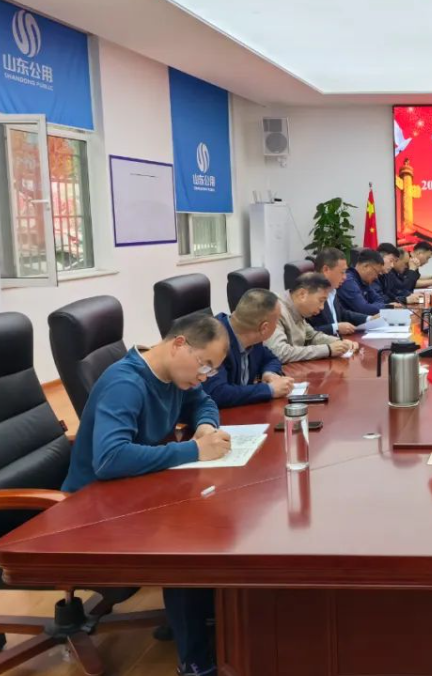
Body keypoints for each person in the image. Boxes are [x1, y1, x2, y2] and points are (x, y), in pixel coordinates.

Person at [62, 313, 234, 676]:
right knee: (186, 544)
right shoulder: (126, 383)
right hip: (90, 510)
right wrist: (194, 450)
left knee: (212, 519)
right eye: (204, 365)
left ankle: (204, 617)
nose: (204, 376)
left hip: (133, 491)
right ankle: (196, 663)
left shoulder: (175, 375)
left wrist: (205, 426)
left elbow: (202, 402)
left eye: (212, 370)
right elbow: (110, 459)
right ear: (179, 345)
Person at [203, 289, 294, 408]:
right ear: (264, 328)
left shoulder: (252, 336)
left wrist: (269, 373)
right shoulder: (215, 342)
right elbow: (217, 393)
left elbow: (271, 359)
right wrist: (269, 389)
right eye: (276, 322)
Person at [266, 272, 352, 363]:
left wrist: (340, 342)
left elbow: (312, 336)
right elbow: (280, 353)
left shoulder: (297, 309)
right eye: (321, 300)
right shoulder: (274, 310)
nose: (322, 307)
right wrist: (328, 349)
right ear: (302, 294)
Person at [308, 247, 369, 336]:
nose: (345, 277)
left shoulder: (332, 290)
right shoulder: (310, 294)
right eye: (342, 272)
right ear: (326, 270)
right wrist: (335, 328)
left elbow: (342, 313)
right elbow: (306, 333)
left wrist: (369, 319)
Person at [338, 248, 393, 316]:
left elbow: (380, 300)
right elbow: (364, 309)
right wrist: (383, 306)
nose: (376, 277)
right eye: (376, 272)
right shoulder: (348, 281)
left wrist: (375, 306)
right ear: (366, 266)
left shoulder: (364, 282)